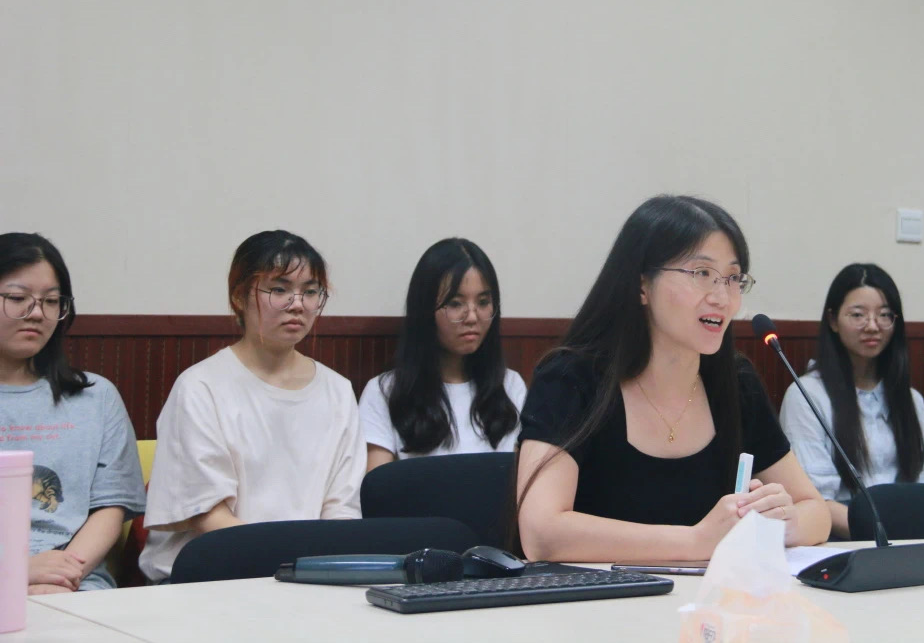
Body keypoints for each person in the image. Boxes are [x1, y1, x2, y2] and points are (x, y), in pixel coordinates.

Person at [516, 195, 829, 562]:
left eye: (732, 278)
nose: (722, 298)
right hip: (596, 597)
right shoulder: (570, 379)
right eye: (702, 274)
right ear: (642, 285)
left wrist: (781, 522)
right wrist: (695, 541)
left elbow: (816, 512)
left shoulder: (736, 384)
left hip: (709, 598)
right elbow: (541, 533)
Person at [139, 230, 365, 582]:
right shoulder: (200, 387)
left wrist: (312, 571)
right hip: (213, 576)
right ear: (239, 296)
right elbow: (207, 515)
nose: (297, 304)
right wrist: (283, 566)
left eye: (310, 292)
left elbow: (342, 511)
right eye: (279, 289)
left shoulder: (338, 390)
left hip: (306, 577)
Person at [0, 233, 146, 594]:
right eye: (17, 298)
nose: (37, 313)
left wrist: (64, 573)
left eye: (51, 301)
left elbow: (110, 508)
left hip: (73, 576)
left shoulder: (96, 397)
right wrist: (16, 571)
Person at [778, 264, 924, 539]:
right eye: (858, 315)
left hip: (911, 535)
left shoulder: (911, 400)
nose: (872, 326)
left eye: (884, 315)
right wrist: (882, 534)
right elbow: (815, 500)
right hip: (844, 538)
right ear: (833, 320)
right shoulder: (807, 395)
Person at [360, 238, 526, 470]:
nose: (472, 317)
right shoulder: (385, 391)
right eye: (455, 304)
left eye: (483, 302)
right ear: (425, 310)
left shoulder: (510, 385)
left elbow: (522, 478)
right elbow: (377, 485)